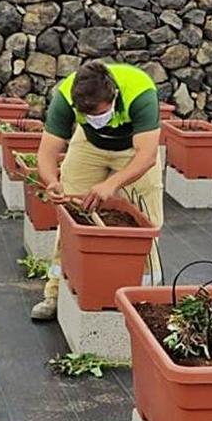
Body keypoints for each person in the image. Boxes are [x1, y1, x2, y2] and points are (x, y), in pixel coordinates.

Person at [31, 61, 164, 320]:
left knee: (147, 218)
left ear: (113, 94)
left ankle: (146, 295)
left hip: (132, 150)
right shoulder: (65, 96)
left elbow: (147, 155)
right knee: (71, 215)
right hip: (89, 145)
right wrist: (51, 182)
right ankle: (56, 292)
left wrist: (111, 184)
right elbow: (46, 152)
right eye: (89, 115)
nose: (96, 119)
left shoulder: (140, 91)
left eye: (100, 114)